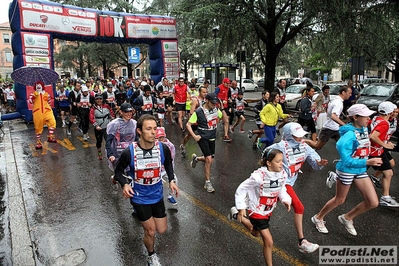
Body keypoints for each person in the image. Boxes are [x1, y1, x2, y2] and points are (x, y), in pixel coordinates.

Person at [113, 114, 178, 266]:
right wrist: (125, 184)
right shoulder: (129, 152)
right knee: (151, 231)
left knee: (161, 229)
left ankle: (147, 229)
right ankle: (151, 255)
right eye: (148, 129)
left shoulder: (163, 148)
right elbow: (118, 171)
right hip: (139, 197)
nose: (153, 132)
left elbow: (168, 164)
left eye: (155, 129)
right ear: (139, 131)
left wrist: (172, 180)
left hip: (156, 195)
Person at [311, 104, 383, 236]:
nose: (369, 119)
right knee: (339, 199)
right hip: (347, 170)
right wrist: (368, 161)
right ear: (355, 117)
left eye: (369, 116)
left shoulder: (364, 129)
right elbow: (346, 160)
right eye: (366, 116)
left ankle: (347, 217)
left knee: (373, 202)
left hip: (360, 169)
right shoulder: (347, 137)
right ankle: (318, 217)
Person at [267, 122, 325, 253]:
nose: (300, 138)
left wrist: (319, 162)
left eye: (301, 136)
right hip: (281, 182)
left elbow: (315, 161)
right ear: (288, 135)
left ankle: (244, 214)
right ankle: (302, 241)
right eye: (296, 136)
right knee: (299, 207)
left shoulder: (305, 147)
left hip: (288, 183)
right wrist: (274, 169)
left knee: (268, 205)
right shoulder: (280, 146)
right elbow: (266, 155)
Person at [229, 148, 291, 266]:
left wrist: (285, 199)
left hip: (268, 211)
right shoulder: (258, 176)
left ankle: (236, 215)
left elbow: (282, 189)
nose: (281, 164)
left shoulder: (282, 174)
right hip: (256, 211)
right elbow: (242, 188)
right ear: (269, 163)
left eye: (282, 161)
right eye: (278, 161)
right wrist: (242, 207)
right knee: (268, 241)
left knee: (255, 233)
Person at [186, 93, 223, 193]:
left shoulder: (216, 109)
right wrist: (195, 136)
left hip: (212, 136)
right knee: (208, 159)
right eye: (212, 103)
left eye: (216, 103)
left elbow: (220, 117)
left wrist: (214, 124)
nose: (214, 105)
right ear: (207, 101)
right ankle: (207, 183)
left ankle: (196, 158)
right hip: (202, 137)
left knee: (211, 160)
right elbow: (188, 124)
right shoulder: (198, 112)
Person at [368, 102, 398, 207]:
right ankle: (385, 197)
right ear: (389, 112)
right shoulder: (384, 123)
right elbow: (373, 136)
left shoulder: (376, 118)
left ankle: (385, 196)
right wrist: (384, 145)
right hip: (375, 151)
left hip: (373, 150)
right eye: (393, 111)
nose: (394, 113)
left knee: (389, 171)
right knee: (356, 172)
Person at [306, 86, 351, 150]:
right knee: (317, 146)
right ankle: (302, 141)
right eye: (349, 93)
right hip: (329, 128)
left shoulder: (335, 100)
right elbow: (333, 116)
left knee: (343, 145)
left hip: (335, 128)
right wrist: (344, 125)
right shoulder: (338, 102)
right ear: (343, 93)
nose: (350, 95)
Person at [106, 102, 137, 175]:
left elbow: (136, 138)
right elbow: (109, 140)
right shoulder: (115, 124)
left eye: (130, 112)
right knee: (120, 175)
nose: (129, 114)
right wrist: (110, 154)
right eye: (126, 112)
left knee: (131, 175)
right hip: (118, 153)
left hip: (130, 152)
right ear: (121, 112)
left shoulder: (134, 123)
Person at [28, 81, 57, 149]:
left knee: (52, 122)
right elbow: (30, 101)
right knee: (38, 128)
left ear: (42, 86)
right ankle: (38, 142)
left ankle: (50, 136)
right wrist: (34, 96)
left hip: (47, 111)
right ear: (35, 86)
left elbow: (49, 102)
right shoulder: (33, 94)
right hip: (38, 113)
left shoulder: (47, 94)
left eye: (40, 85)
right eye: (37, 85)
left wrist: (49, 109)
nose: (38, 86)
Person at [180, 86, 207, 156]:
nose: (205, 94)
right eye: (203, 92)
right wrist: (191, 122)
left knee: (204, 136)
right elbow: (191, 112)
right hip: (195, 121)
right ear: (199, 92)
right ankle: (183, 145)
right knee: (189, 135)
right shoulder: (196, 100)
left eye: (206, 92)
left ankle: (204, 152)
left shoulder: (206, 100)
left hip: (203, 121)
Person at [156, 127, 178, 205]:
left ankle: (170, 196)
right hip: (156, 169)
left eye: (162, 137)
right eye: (159, 138)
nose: (161, 139)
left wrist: (170, 171)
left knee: (174, 180)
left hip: (165, 169)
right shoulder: (153, 145)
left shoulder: (170, 146)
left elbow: (171, 159)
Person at [89, 94, 115, 160]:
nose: (99, 100)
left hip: (107, 126)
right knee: (99, 141)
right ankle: (99, 153)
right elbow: (91, 118)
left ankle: (110, 154)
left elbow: (111, 113)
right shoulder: (93, 108)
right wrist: (96, 125)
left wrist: (113, 119)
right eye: (97, 99)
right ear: (95, 100)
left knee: (108, 141)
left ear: (102, 99)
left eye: (100, 99)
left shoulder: (106, 106)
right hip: (98, 127)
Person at [215, 78, 232, 142]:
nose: (228, 85)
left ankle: (226, 135)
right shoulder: (219, 88)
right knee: (217, 120)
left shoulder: (229, 89)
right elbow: (214, 96)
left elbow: (229, 97)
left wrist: (229, 101)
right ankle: (210, 130)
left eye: (229, 83)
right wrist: (221, 101)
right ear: (223, 82)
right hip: (218, 106)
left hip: (225, 107)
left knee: (226, 121)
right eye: (227, 83)